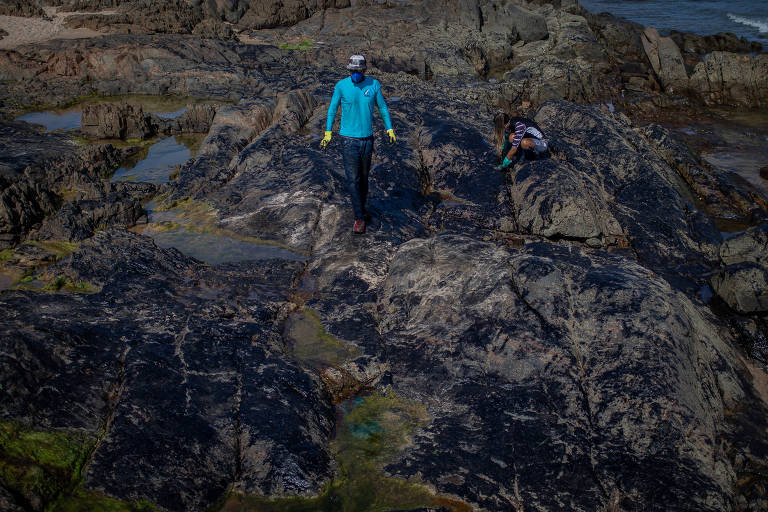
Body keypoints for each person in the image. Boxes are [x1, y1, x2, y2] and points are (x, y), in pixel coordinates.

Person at [320, 54, 396, 235]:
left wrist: (389, 129)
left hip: (367, 140)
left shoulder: (373, 85)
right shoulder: (341, 86)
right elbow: (332, 109)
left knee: (363, 179)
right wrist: (328, 133)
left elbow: (383, 107)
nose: (356, 74)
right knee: (353, 180)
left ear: (364, 71)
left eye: (359, 71)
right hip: (348, 141)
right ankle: (359, 218)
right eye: (353, 71)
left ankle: (362, 209)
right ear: (349, 71)